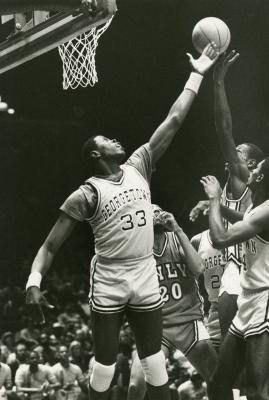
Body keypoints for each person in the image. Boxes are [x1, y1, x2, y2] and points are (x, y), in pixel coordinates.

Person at [25, 42, 219, 400]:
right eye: (107, 139)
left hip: (145, 271)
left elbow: (173, 121)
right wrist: (34, 281)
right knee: (104, 366)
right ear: (97, 154)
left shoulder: (139, 166)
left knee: (155, 365)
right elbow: (50, 245)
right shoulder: (86, 194)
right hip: (111, 276)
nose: (117, 139)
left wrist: (197, 73)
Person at [200, 157, 269, 400]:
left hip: (267, 299)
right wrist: (219, 207)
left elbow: (219, 239)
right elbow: (252, 222)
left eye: (256, 168)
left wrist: (214, 199)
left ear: (260, 178)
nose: (251, 170)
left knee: (256, 391)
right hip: (247, 302)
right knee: (218, 382)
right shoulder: (258, 210)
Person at [190, 51, 264, 339]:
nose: (231, 156)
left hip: (242, 270)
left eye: (239, 153)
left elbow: (224, 129)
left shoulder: (243, 178)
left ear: (249, 164)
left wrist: (218, 82)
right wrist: (211, 204)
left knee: (230, 362)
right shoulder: (233, 188)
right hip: (236, 268)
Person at [127, 206, 217, 400]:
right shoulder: (137, 251)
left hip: (188, 321)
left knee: (216, 379)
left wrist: (177, 229)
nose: (157, 217)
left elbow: (199, 268)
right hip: (156, 327)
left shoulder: (177, 240)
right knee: (136, 385)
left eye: (159, 213)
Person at [191, 229, 226, 349]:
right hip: (215, 306)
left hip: (241, 302)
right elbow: (192, 277)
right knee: (214, 361)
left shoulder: (243, 232)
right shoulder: (198, 241)